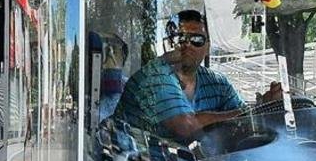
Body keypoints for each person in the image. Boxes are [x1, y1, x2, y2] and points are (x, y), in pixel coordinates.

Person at [115, 9, 282, 141]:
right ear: (168, 44)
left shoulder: (217, 82)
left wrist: (264, 107)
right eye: (180, 38)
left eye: (196, 40)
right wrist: (258, 112)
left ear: (207, 47)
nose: (187, 45)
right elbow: (186, 126)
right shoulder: (154, 75)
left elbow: (245, 118)